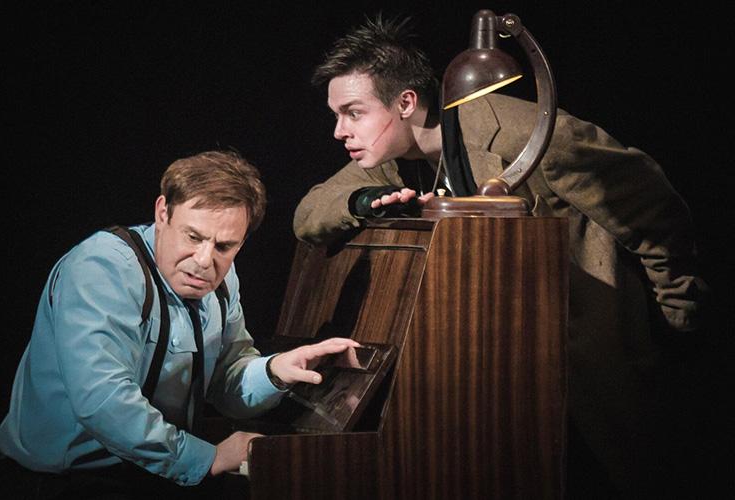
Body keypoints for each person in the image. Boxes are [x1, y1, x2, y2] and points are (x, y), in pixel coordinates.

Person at [294, 15, 710, 498]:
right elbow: (309, 213)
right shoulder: (390, 159)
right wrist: (363, 201)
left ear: (406, 103)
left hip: (587, 357)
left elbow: (653, 207)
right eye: (337, 115)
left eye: (353, 113)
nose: (339, 131)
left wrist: (676, 314)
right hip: (506, 373)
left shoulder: (521, 135)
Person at [0, 150, 359, 498]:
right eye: (193, 237)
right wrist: (208, 458)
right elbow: (103, 401)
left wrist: (275, 371)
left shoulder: (222, 280)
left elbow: (226, 379)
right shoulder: (101, 267)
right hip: (64, 483)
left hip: (154, 476)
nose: (204, 260)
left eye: (224, 246)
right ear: (162, 213)